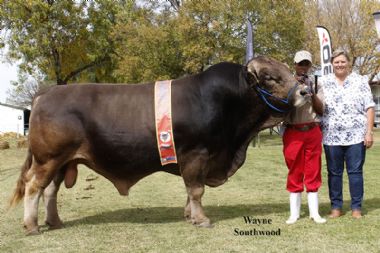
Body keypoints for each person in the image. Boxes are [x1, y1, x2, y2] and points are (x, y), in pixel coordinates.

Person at [320, 49, 375, 219]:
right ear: (332, 64)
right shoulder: (323, 82)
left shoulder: (360, 81)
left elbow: (369, 107)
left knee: (355, 172)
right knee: (334, 173)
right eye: (336, 62)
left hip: (356, 136)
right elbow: (317, 107)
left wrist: (369, 132)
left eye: (343, 61)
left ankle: (356, 208)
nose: (340, 64)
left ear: (349, 63)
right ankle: (336, 207)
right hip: (331, 136)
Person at [282, 50, 326, 224]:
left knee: (313, 169)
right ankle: (294, 214)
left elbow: (321, 109)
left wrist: (312, 92)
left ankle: (314, 213)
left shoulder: (316, 83)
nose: (303, 67)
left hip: (312, 130)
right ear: (294, 64)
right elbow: (283, 107)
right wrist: (295, 90)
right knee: (295, 170)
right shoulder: (286, 83)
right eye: (300, 63)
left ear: (310, 65)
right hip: (293, 131)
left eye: (306, 64)